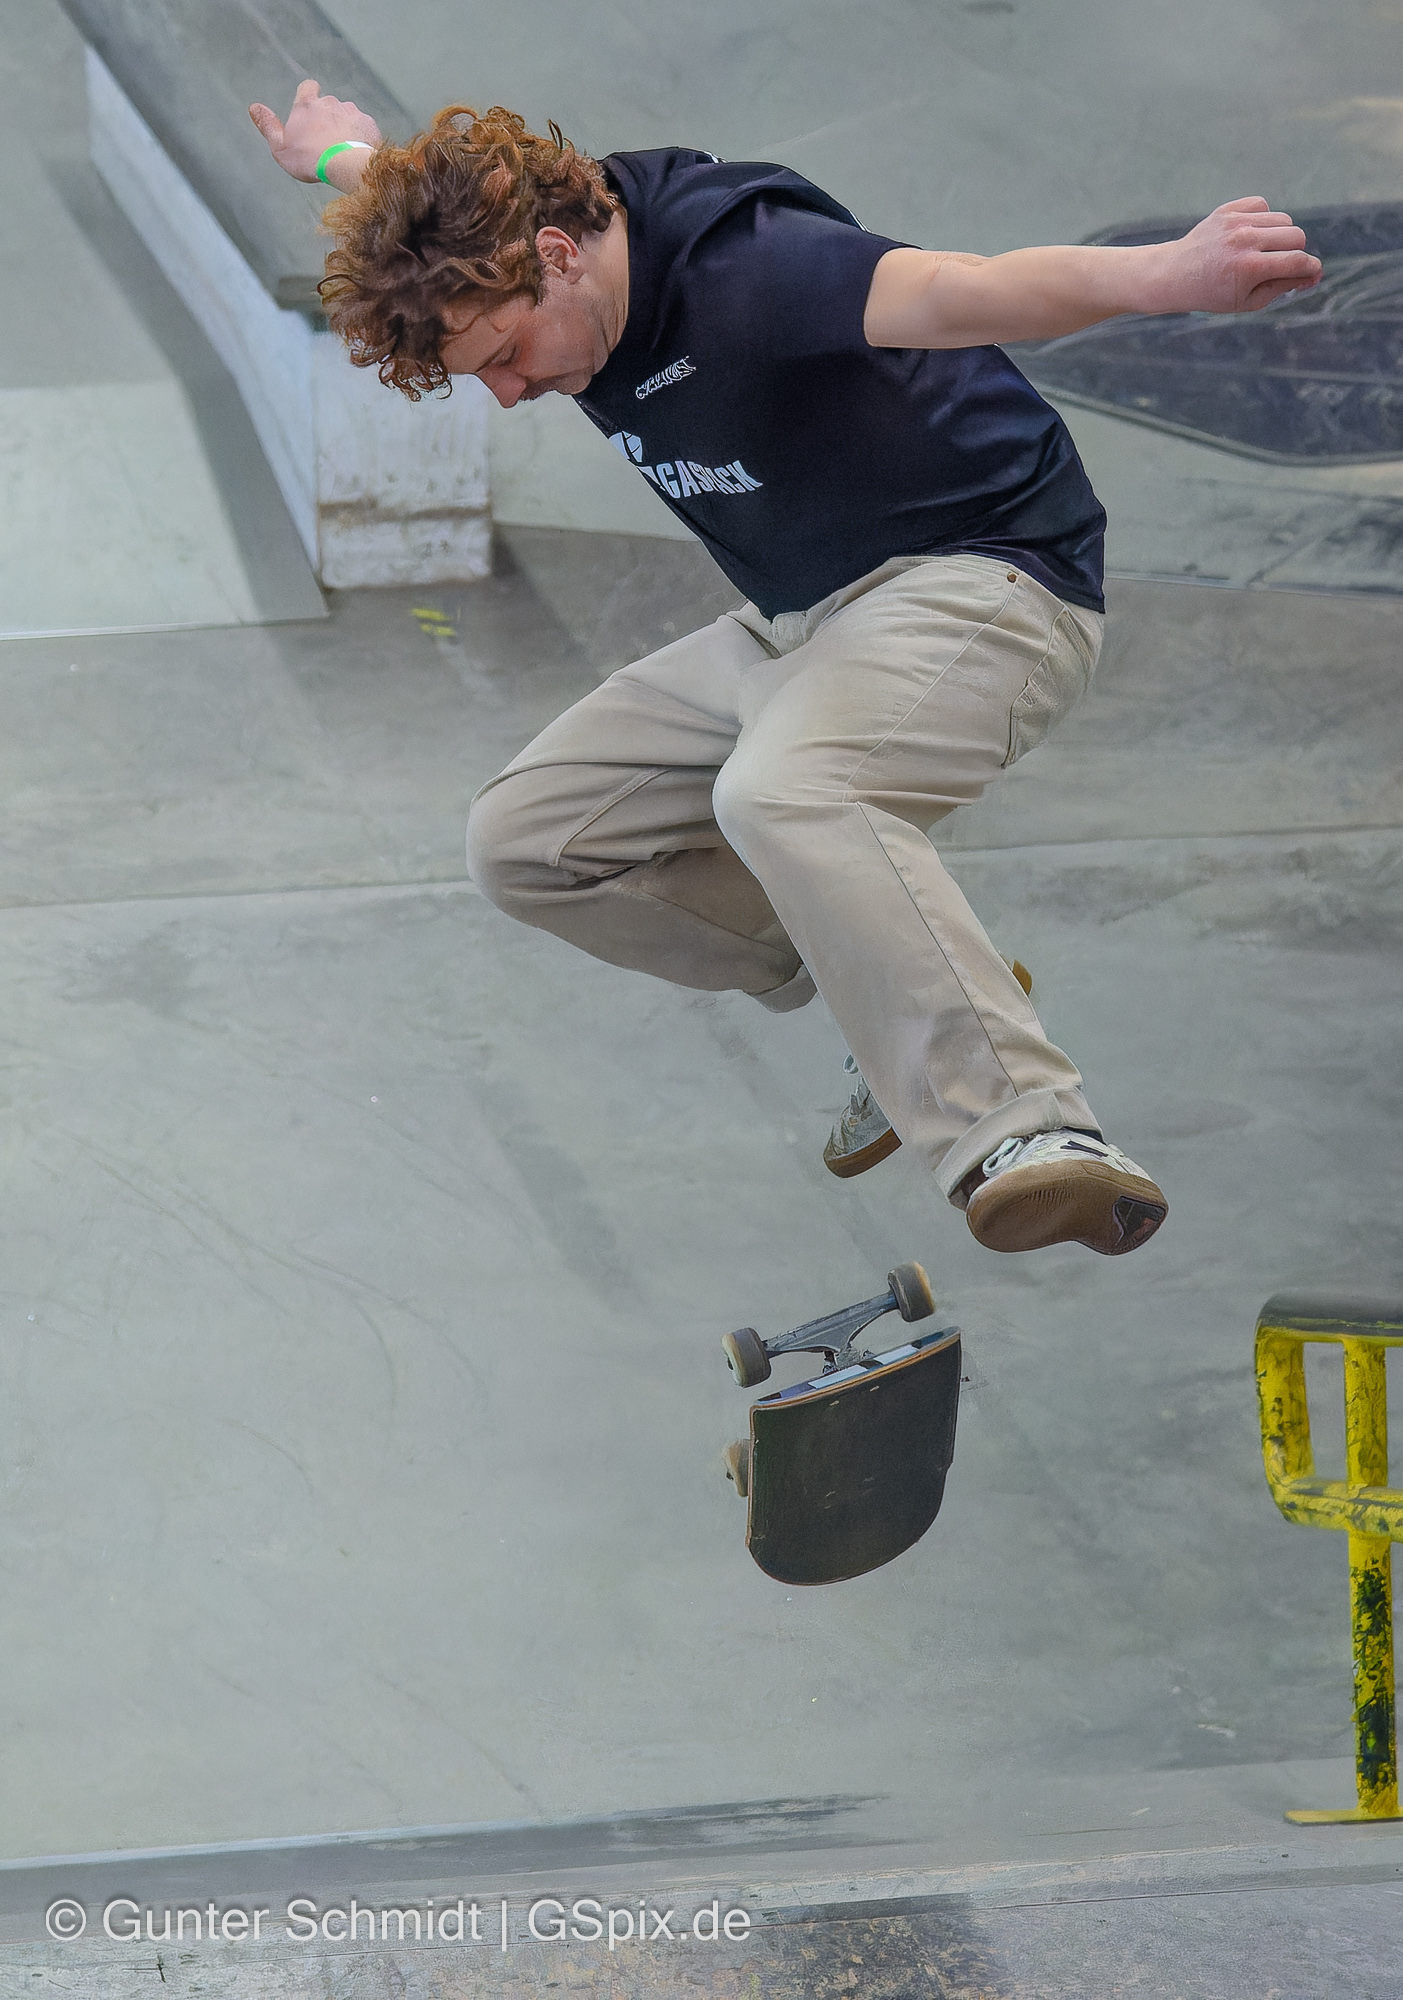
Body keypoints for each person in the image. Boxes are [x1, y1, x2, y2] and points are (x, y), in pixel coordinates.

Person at [250, 83, 1320, 1257]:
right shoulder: (509, 249)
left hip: (988, 580)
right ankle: (905, 977)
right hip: (803, 620)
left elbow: (963, 288)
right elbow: (427, 202)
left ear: (556, 257)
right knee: (525, 840)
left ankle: (1026, 1125)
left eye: (506, 356)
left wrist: (1172, 274)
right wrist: (340, 158)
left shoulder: (750, 268)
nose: (510, 393)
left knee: (784, 789)